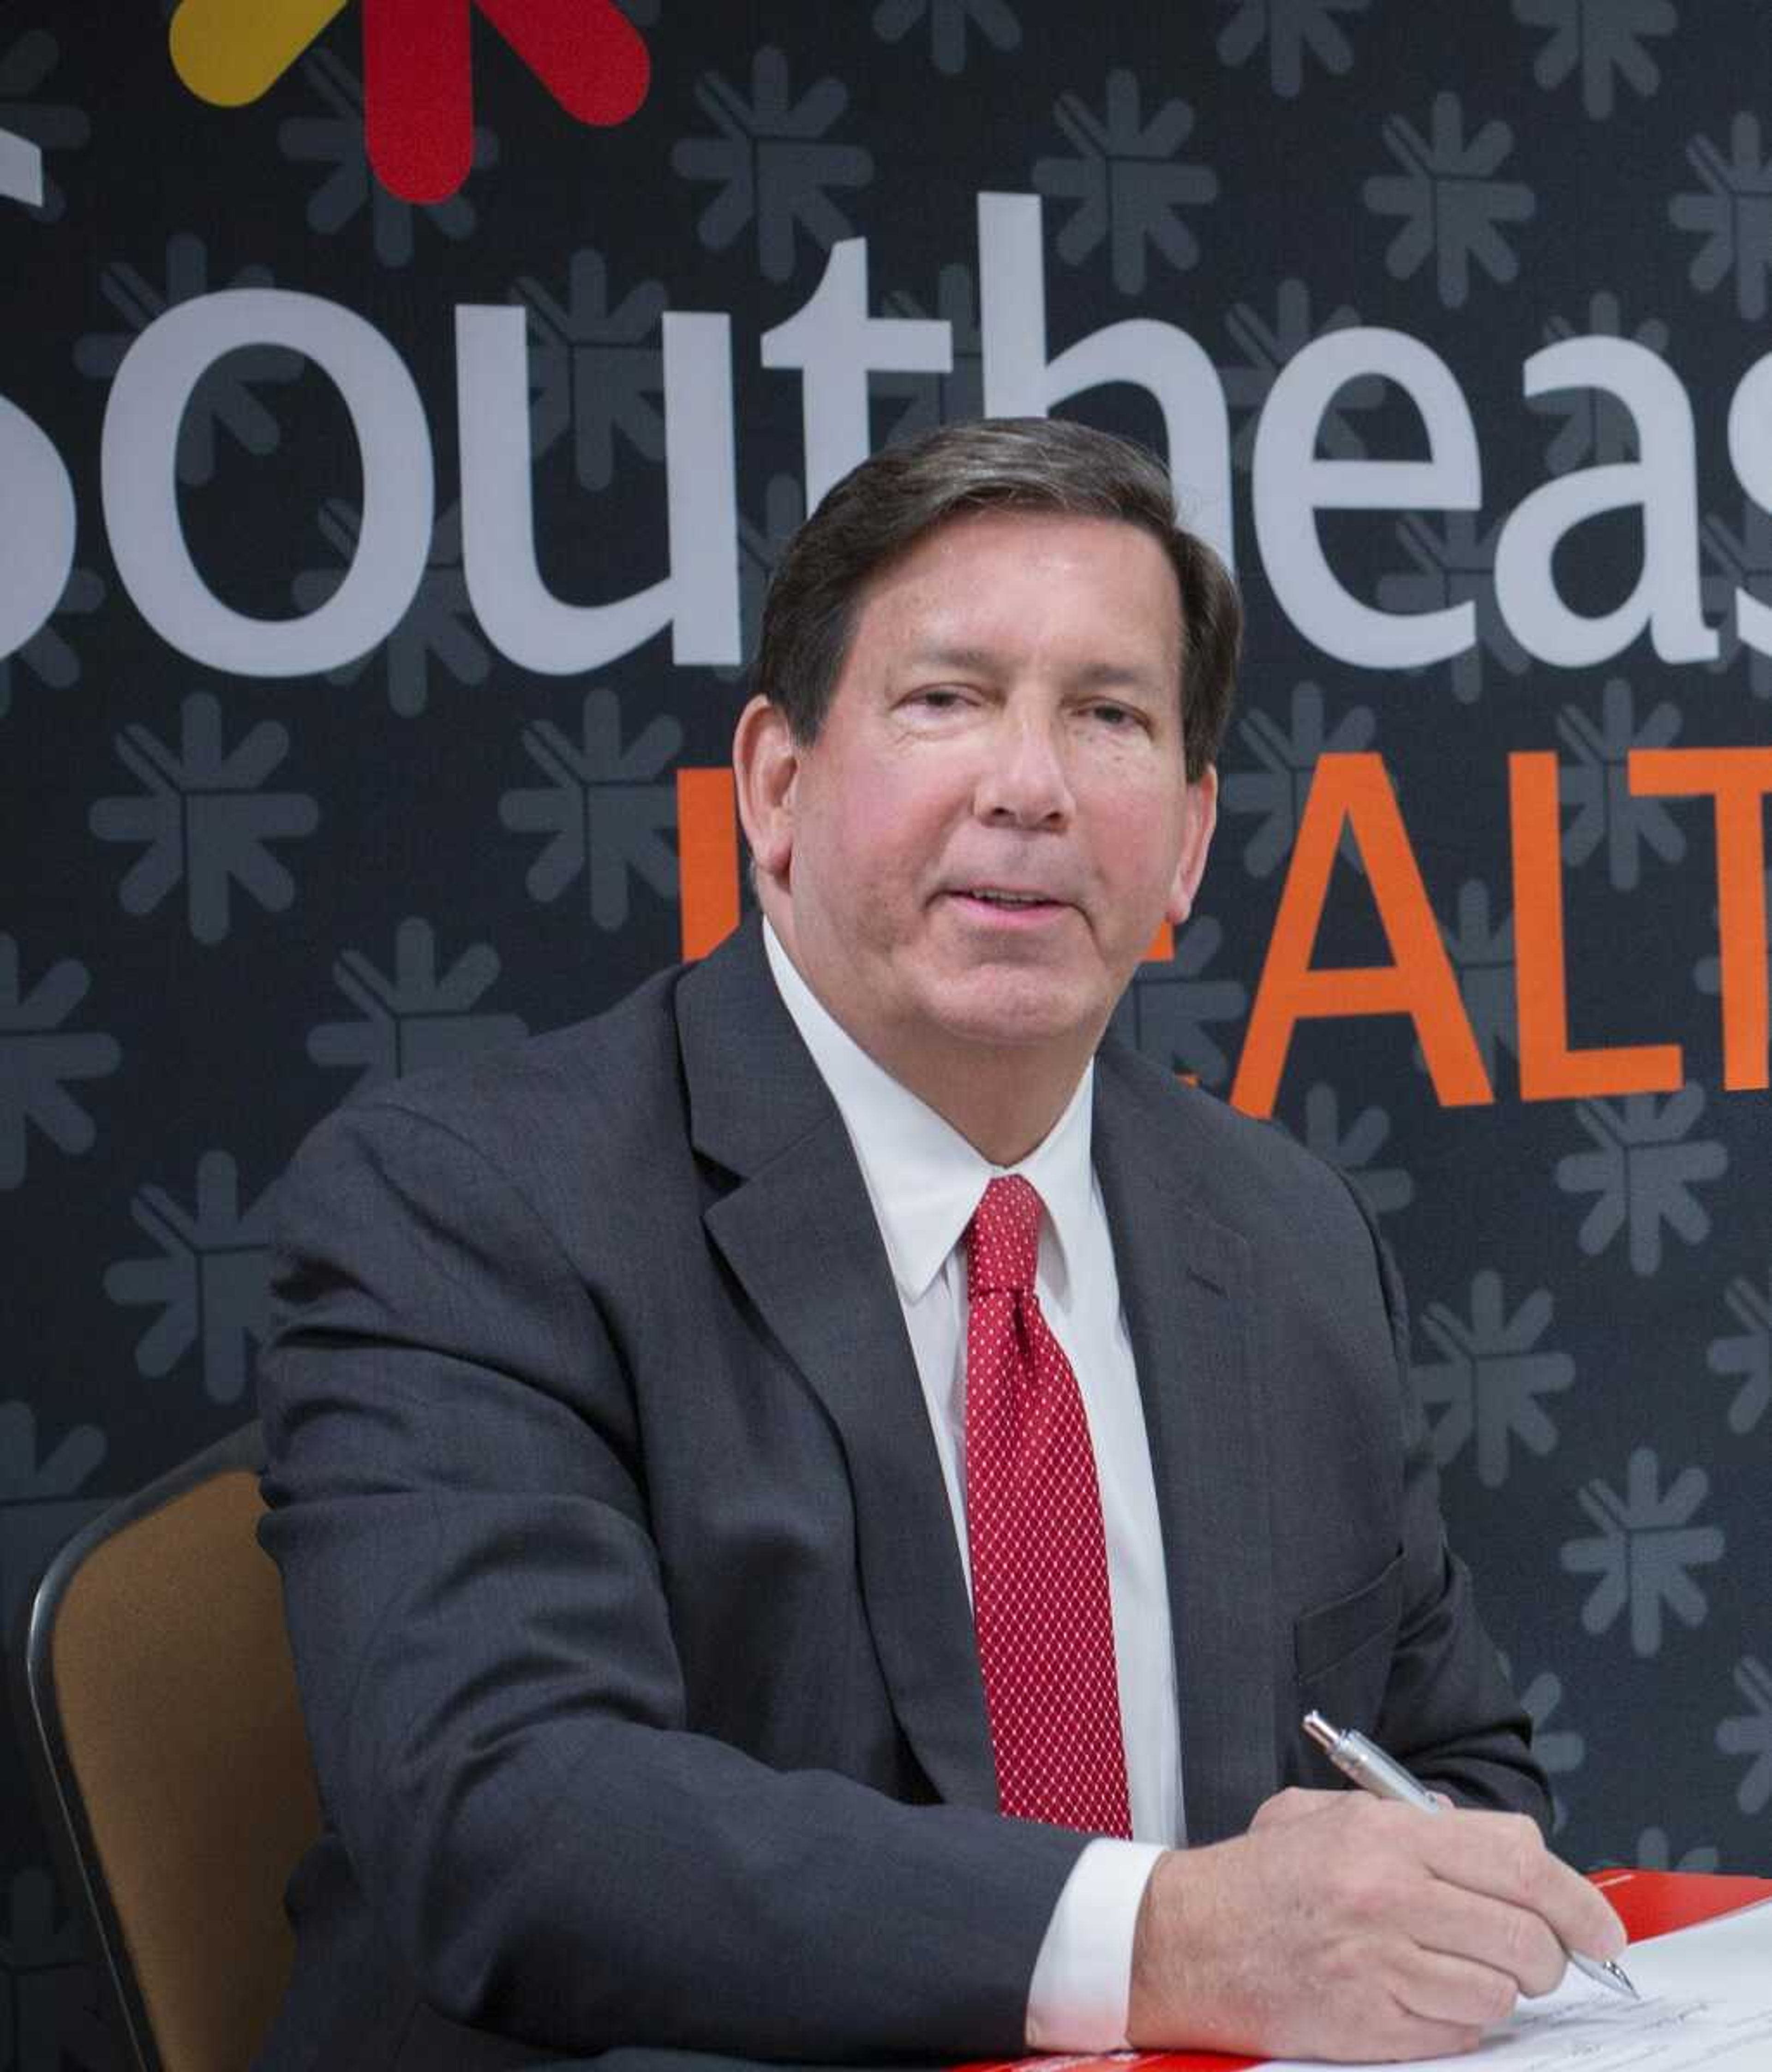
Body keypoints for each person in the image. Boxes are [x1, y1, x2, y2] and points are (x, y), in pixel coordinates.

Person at [255, 417, 1626, 2072]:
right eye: (946, 699)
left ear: (1188, 839)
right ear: (776, 783)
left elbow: (1454, 1761)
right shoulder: (470, 1204)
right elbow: (513, 1818)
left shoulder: (1287, 1233)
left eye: (1108, 717)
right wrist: (1172, 1940)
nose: (1030, 786)